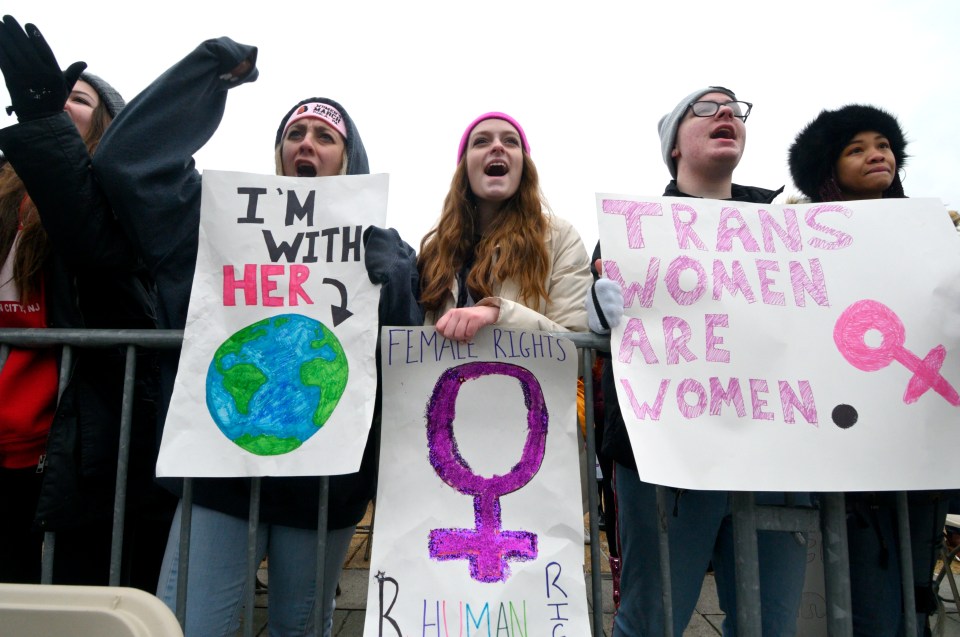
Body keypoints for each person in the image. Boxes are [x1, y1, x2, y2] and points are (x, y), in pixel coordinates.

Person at [91, 39, 421, 637]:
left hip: (324, 487)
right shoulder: (215, 228)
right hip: (220, 481)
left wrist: (396, 284)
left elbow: (405, 363)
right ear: (278, 157)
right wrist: (206, 74)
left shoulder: (386, 247)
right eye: (295, 134)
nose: (307, 145)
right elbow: (128, 165)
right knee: (189, 626)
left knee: (304, 628)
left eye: (325, 138)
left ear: (349, 162)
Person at [587, 87, 809, 636]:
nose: (727, 113)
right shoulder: (633, 232)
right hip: (667, 460)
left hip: (774, 457)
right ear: (674, 147)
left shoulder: (790, 232)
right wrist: (597, 316)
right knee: (652, 620)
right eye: (705, 107)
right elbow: (597, 313)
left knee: (768, 624)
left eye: (734, 106)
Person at [0, 15, 172, 589]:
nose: (58, 102)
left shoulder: (123, 199)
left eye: (75, 97)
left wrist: (44, 130)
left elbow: (96, 249)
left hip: (66, 448)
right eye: (52, 97)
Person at [789, 103, 950, 637]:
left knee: (913, 597)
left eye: (882, 144)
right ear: (828, 170)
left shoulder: (937, 239)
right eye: (855, 149)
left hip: (919, 444)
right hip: (851, 456)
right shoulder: (797, 239)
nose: (875, 154)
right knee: (872, 601)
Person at [418, 112, 591, 340]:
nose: (498, 146)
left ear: (524, 165)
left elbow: (579, 353)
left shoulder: (561, 239)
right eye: (481, 141)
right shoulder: (434, 252)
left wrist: (498, 315)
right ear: (464, 167)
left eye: (511, 141)